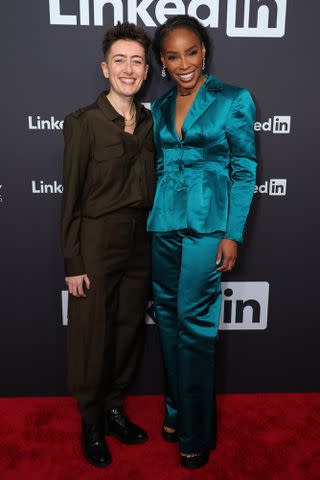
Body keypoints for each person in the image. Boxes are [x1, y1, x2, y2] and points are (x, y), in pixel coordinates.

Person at [148, 15, 257, 469]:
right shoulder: (158, 107)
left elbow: (244, 169)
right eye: (173, 56)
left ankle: (195, 431)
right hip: (163, 228)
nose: (183, 63)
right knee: (169, 325)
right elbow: (159, 167)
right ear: (162, 63)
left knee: (194, 330)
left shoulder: (233, 99)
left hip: (207, 229)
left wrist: (232, 233)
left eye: (191, 52)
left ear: (204, 51)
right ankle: (175, 414)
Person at [60, 22, 155, 468]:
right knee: (92, 335)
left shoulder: (150, 121)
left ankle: (115, 408)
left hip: (140, 241)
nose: (129, 69)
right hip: (96, 241)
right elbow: (71, 198)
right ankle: (91, 420)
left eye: (137, 60)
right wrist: (73, 259)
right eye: (120, 60)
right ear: (105, 68)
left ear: (146, 70)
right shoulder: (83, 123)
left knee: (128, 330)